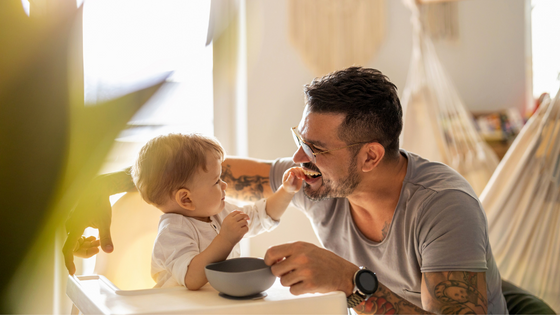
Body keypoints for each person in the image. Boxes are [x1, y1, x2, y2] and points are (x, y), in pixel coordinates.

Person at [64, 67, 507, 314]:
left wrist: (350, 281)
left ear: (370, 156)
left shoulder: (443, 208)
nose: (297, 160)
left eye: (315, 148)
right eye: (300, 139)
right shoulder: (315, 180)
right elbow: (208, 175)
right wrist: (107, 184)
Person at [134, 133, 303, 288]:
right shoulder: (172, 231)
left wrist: (286, 191)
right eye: (216, 181)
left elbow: (261, 215)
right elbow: (192, 278)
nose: (225, 185)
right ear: (186, 199)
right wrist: (226, 239)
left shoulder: (219, 212)